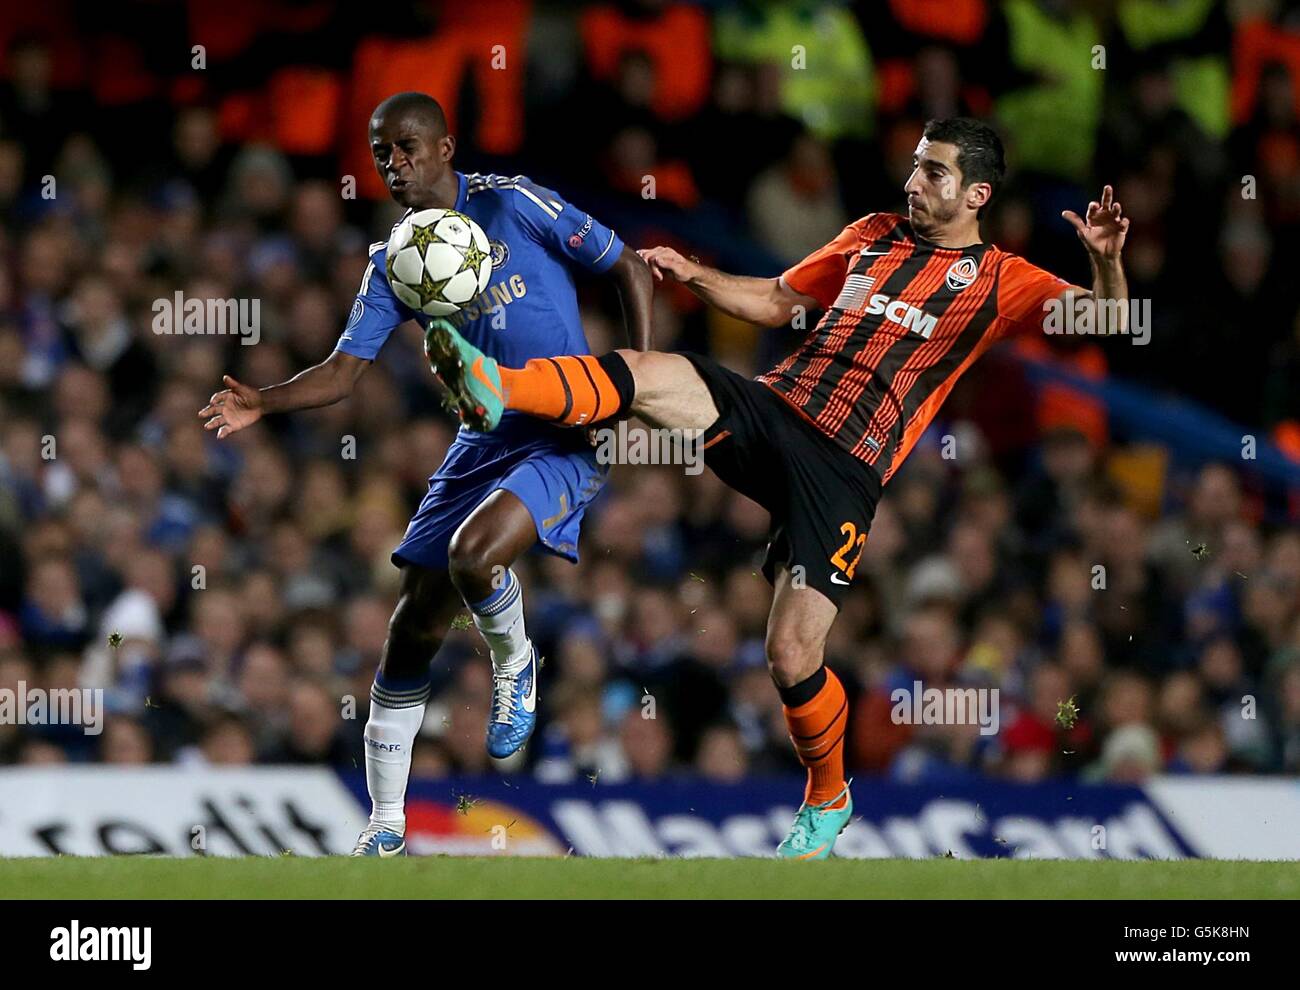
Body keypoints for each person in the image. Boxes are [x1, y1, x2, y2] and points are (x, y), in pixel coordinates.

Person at [427, 117, 1130, 859]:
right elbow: (778, 300)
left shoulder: (1000, 281)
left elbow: (1109, 319)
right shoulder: (871, 234)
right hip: (777, 409)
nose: (913, 182)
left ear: (977, 193)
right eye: (916, 166)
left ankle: (829, 795)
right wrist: (698, 275)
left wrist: (1107, 263)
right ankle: (494, 385)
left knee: (791, 655)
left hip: (846, 469)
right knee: (648, 372)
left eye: (934, 173)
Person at [198, 92, 654, 856]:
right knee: (411, 626)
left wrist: (636, 377)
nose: (393, 163)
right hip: (481, 437)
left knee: (474, 557)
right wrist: (264, 402)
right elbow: (345, 372)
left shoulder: (514, 203)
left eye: (407, 146)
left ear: (446, 147)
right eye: (381, 153)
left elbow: (628, 267)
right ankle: (383, 823)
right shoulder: (395, 261)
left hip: (566, 430)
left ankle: (517, 666)